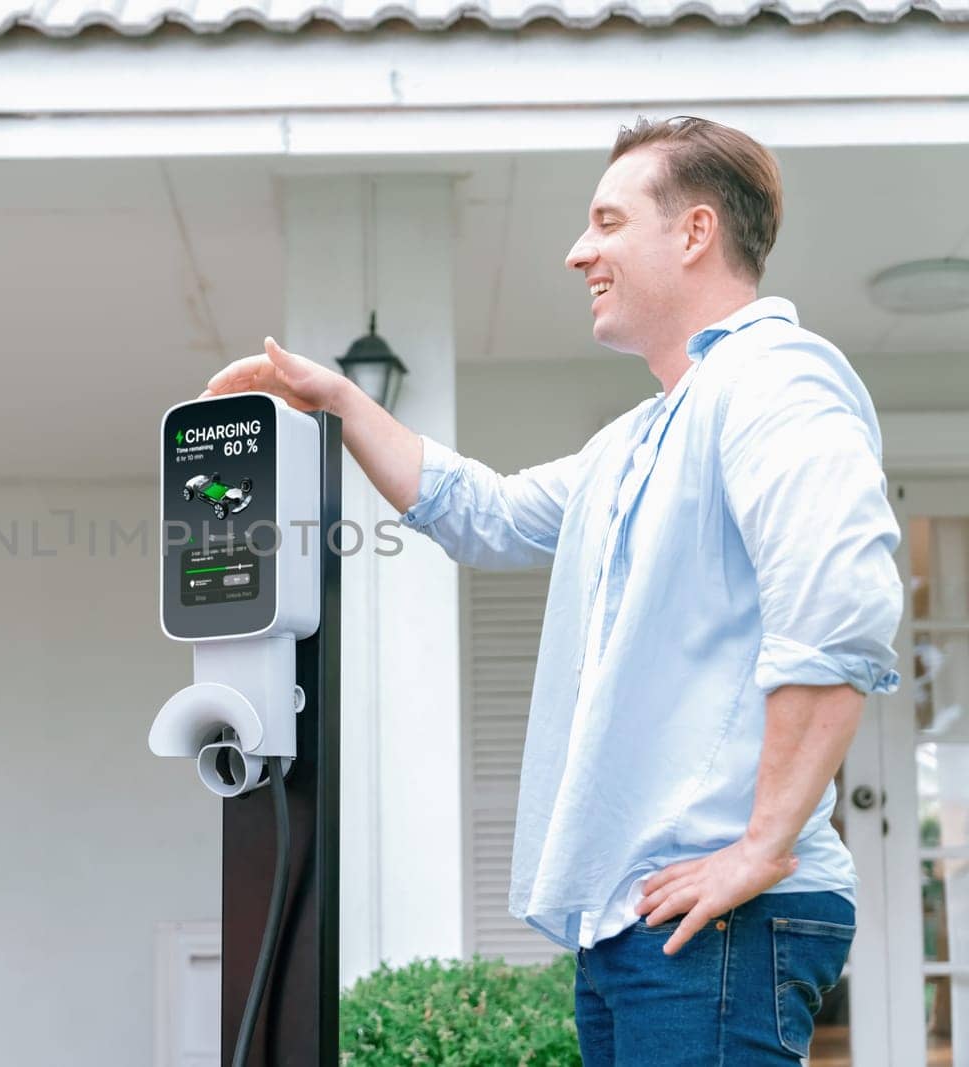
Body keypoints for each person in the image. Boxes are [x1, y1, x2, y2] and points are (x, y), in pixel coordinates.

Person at [200, 117, 903, 1064]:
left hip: (722, 917)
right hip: (632, 921)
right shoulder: (638, 439)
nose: (580, 253)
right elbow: (483, 512)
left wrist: (762, 846)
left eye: (608, 222)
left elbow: (838, 610)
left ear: (694, 233)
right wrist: (343, 399)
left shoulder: (777, 378)